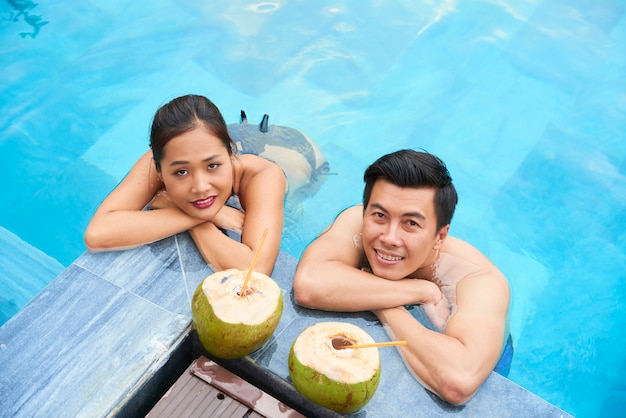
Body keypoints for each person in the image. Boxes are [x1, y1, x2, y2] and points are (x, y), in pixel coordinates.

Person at [293, 149, 511, 405]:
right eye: (380, 215)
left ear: (440, 236)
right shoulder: (357, 221)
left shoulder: (477, 279)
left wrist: (386, 307)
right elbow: (309, 284)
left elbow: (458, 381)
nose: (389, 238)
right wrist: (420, 291)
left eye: (411, 224)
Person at [84, 95, 286, 275]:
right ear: (159, 171)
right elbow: (97, 233)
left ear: (230, 153)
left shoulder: (264, 175)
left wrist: (178, 207)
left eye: (213, 166)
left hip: (286, 149)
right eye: (182, 172)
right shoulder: (170, 153)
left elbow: (255, 270)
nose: (200, 187)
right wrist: (203, 216)